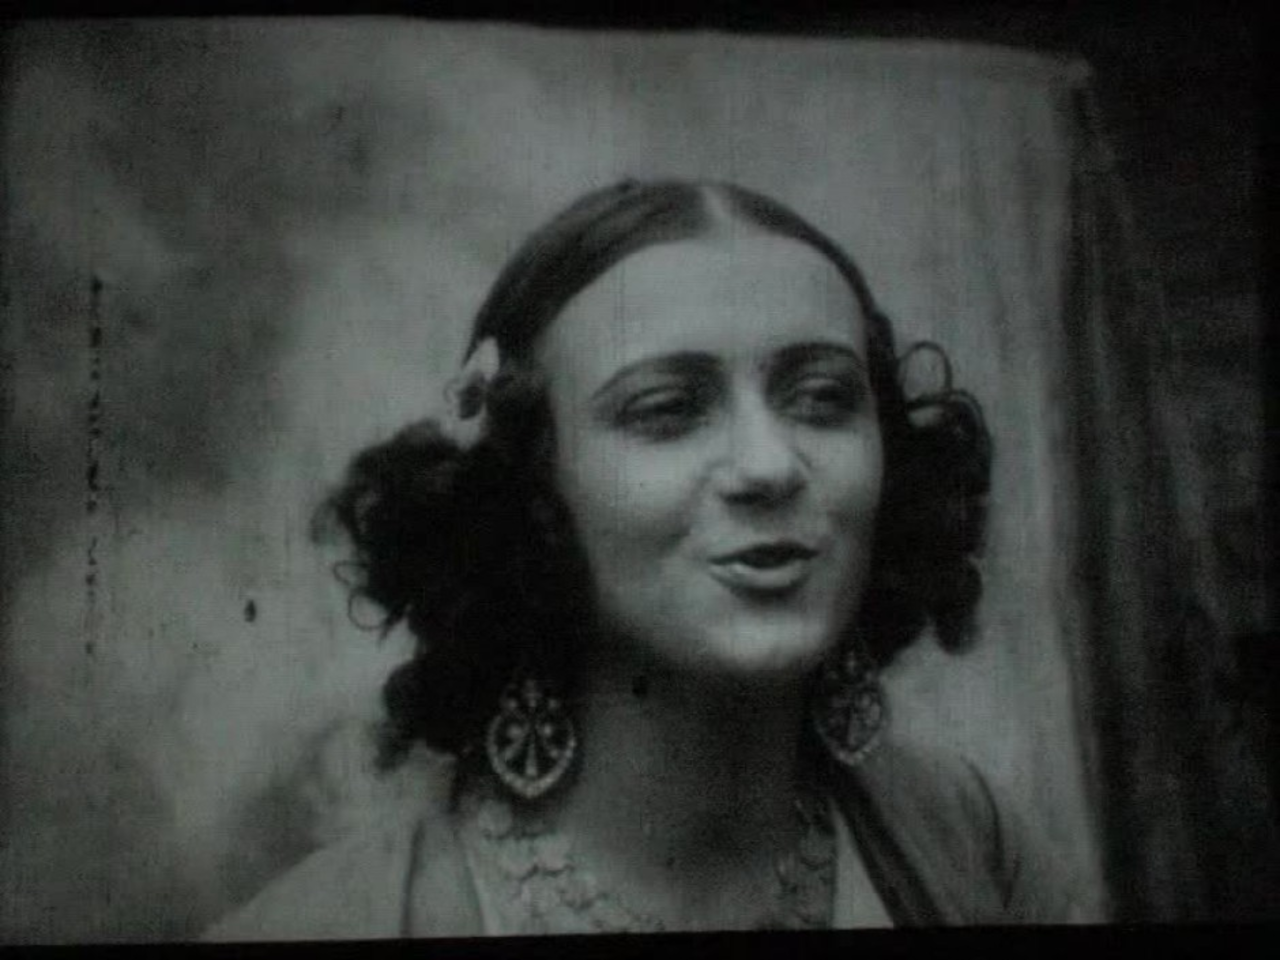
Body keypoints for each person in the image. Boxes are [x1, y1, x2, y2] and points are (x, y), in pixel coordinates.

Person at [204, 179, 1076, 940]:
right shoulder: (330, 923)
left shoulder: (971, 844)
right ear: (531, 487)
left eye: (821, 398)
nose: (769, 465)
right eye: (666, 410)